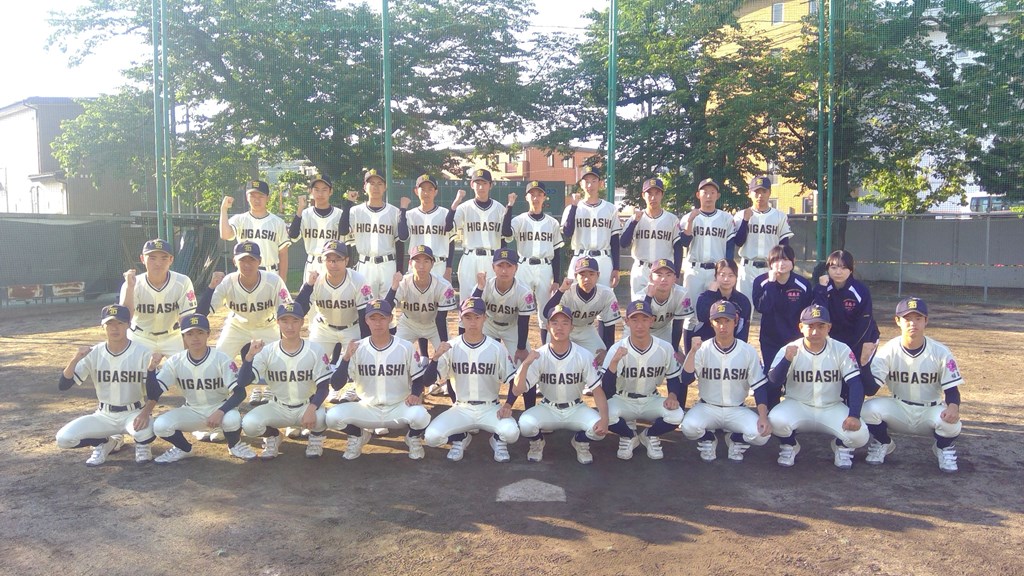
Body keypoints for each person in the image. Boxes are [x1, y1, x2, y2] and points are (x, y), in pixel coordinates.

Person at [861, 297, 963, 472]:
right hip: (899, 408)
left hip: (930, 410)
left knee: (952, 425)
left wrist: (953, 407)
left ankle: (942, 447)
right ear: (897, 321)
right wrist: (863, 364)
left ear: (926, 321)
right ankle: (884, 442)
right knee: (866, 410)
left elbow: (952, 390)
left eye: (918, 318)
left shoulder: (940, 352)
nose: (913, 323)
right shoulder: (888, 351)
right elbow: (871, 390)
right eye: (907, 318)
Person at [140, 314, 258, 463]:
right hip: (192, 410)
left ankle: (234, 445)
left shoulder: (221, 358)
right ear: (183, 337)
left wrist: (220, 411)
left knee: (232, 419)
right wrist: (151, 369)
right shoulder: (175, 361)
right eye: (190, 334)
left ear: (208, 334)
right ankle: (184, 449)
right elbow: (154, 393)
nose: (195, 338)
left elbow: (240, 393)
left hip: (219, 406)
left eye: (200, 332)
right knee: (160, 426)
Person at [325, 299, 432, 460]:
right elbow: (336, 384)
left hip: (398, 407)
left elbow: (418, 379)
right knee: (332, 417)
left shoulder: (405, 347)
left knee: (421, 416)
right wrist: (346, 358)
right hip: (367, 408)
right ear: (366, 320)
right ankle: (358, 435)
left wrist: (415, 394)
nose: (378, 323)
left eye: (382, 318)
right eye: (373, 318)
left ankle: (412, 438)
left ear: (390, 319)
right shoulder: (356, 348)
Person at [766, 304, 870, 469]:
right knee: (775, 420)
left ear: (829, 327)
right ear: (801, 327)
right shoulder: (790, 349)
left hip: (831, 406)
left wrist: (854, 415)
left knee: (860, 435)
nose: (815, 332)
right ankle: (790, 445)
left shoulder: (841, 349)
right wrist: (786, 360)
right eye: (810, 326)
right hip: (797, 405)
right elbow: (773, 382)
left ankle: (841, 447)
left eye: (821, 326)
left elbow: (855, 383)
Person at [421, 297, 520, 462]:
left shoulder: (496, 348)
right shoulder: (451, 347)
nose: (473, 322)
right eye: (468, 317)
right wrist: (435, 359)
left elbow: (513, 380)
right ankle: (461, 437)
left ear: (485, 318)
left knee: (511, 433)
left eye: (477, 317)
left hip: (490, 408)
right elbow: (427, 382)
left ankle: (497, 440)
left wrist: (508, 404)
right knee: (432, 438)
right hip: (461, 408)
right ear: (461, 318)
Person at [55, 305, 156, 466]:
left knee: (146, 432)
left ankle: (142, 444)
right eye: (110, 324)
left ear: (128, 325)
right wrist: (75, 359)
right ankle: (105, 442)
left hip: (134, 413)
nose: (115, 328)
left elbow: (154, 390)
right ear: (103, 326)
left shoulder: (142, 352)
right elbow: (64, 385)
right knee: (64, 439)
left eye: (120, 323)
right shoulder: (94, 352)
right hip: (104, 415)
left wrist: (145, 413)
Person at [196, 241, 292, 406]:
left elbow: (287, 311)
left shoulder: (273, 281)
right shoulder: (228, 282)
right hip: (237, 326)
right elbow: (202, 313)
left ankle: (275, 393)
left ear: (259, 261)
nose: (247, 264)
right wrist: (211, 287)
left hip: (266, 326)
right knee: (217, 362)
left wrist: (287, 338)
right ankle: (218, 398)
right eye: (242, 260)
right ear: (234, 261)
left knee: (282, 362)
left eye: (252, 260)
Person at [512, 304, 608, 464]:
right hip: (548, 408)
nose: (559, 327)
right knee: (525, 425)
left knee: (599, 430)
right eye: (554, 322)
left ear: (572, 327)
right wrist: (526, 365)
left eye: (565, 323)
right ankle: (537, 442)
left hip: (576, 408)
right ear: (548, 326)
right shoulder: (539, 355)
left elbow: (597, 390)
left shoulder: (583, 355)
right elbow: (517, 390)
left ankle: (580, 441)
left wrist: (604, 418)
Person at [238, 302, 334, 459]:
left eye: (295, 321)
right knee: (250, 425)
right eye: (285, 321)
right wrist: (249, 357)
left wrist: (311, 409)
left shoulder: (315, 350)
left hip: (306, 406)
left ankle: (315, 438)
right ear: (277, 322)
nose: (290, 326)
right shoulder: (267, 351)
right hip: (278, 407)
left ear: (302, 322)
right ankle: (274, 436)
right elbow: (243, 382)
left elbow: (323, 387)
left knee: (324, 418)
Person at [679, 301, 771, 462]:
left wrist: (763, 416)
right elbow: (686, 379)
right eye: (718, 321)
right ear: (711, 323)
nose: (722, 326)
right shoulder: (702, 349)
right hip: (707, 407)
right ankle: (709, 438)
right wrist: (692, 352)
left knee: (762, 435)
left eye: (727, 321)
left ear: (735, 321)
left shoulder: (747, 351)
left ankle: (735, 438)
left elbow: (759, 387)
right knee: (688, 427)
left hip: (737, 409)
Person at [600, 300, 684, 460]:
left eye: (644, 319)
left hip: (651, 398)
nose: (639, 325)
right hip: (622, 399)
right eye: (634, 319)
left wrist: (672, 396)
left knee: (676, 415)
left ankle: (649, 434)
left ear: (652, 320)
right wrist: (614, 363)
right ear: (627, 322)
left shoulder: (665, 348)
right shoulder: (617, 349)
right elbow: (607, 390)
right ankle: (629, 435)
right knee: (604, 414)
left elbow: (673, 377)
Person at [293, 239, 372, 403]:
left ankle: (355, 388)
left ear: (346, 261)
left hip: (352, 327)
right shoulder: (316, 281)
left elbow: (365, 315)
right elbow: (298, 311)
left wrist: (365, 344)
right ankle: (314, 394)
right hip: (324, 327)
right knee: (310, 360)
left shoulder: (358, 280)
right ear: (323, 261)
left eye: (337, 259)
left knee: (361, 358)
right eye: (328, 259)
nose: (333, 264)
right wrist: (308, 286)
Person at [678, 178, 736, 352]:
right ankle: (689, 356)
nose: (709, 196)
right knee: (690, 315)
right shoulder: (689, 217)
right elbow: (684, 242)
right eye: (705, 192)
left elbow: (730, 248)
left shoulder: (726, 218)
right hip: (694, 270)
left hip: (716, 272)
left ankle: (714, 353)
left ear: (718, 195)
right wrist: (690, 221)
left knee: (717, 313)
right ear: (698, 195)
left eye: (712, 192)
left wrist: (726, 274)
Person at [752, 244, 813, 408]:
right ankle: (771, 412)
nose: (781, 263)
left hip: (795, 340)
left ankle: (796, 410)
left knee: (796, 378)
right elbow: (763, 307)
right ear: (770, 262)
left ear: (793, 261)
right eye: (776, 260)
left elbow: (808, 314)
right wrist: (771, 283)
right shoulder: (761, 282)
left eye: (785, 259)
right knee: (773, 379)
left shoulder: (803, 284)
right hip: (770, 340)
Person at [470, 248, 536, 399]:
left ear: (516, 268)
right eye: (500, 266)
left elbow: (524, 321)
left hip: (513, 327)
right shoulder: (484, 285)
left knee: (527, 367)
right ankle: (481, 401)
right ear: (493, 267)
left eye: (509, 266)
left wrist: (521, 348)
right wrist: (480, 288)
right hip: (489, 325)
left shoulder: (523, 291)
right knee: (481, 362)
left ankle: (529, 408)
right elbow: (472, 308)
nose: (504, 270)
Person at [504, 180, 564, 344]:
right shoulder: (520, 220)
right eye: (532, 194)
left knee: (546, 311)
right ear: (526, 197)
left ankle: (547, 348)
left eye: (539, 194)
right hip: (524, 266)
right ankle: (519, 346)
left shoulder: (552, 223)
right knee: (519, 308)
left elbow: (557, 252)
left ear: (544, 197)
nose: (535, 198)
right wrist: (510, 206)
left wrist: (556, 280)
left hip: (545, 268)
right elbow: (506, 232)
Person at [119, 238, 197, 356]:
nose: (158, 263)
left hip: (172, 337)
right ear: (142, 259)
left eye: (164, 258)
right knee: (131, 366)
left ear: (171, 259)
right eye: (152, 258)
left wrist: (187, 352)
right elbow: (125, 319)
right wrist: (130, 288)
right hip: (140, 336)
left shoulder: (182, 282)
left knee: (186, 365)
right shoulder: (133, 283)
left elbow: (186, 319)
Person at [542, 257, 622, 365]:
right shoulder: (566, 291)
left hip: (586, 330)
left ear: (598, 275)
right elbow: (546, 313)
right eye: (582, 275)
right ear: (575, 276)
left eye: (591, 274)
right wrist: (561, 290)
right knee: (550, 361)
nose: (587, 279)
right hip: (563, 329)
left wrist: (607, 350)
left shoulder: (606, 294)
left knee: (603, 360)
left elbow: (609, 325)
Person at [813, 249, 880, 368]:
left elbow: (865, 322)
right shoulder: (823, 288)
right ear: (827, 269)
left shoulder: (860, 290)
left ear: (851, 269)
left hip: (862, 339)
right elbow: (820, 315)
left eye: (843, 268)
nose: (838, 272)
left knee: (860, 374)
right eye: (833, 268)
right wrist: (822, 289)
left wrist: (857, 348)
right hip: (835, 340)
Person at [387, 245, 458, 356]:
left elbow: (441, 318)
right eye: (417, 261)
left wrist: (443, 347)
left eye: (426, 261)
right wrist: (393, 288)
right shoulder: (403, 282)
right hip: (409, 324)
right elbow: (386, 308)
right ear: (410, 263)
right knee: (395, 354)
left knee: (449, 355)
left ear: (432, 264)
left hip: (434, 326)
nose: (421, 266)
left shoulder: (443, 285)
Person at [341, 169, 401, 298]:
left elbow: (399, 243)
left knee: (388, 304)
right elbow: (343, 230)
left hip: (388, 264)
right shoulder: (355, 211)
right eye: (371, 183)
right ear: (365, 187)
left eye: (379, 183)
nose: (375, 187)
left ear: (385, 187)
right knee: (365, 304)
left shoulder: (394, 212)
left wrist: (400, 270)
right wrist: (348, 203)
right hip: (365, 264)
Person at [620, 177, 682, 300]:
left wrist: (676, 273)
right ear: (643, 195)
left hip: (663, 271)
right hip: (641, 269)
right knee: (638, 307)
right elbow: (623, 243)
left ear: (662, 195)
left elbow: (678, 248)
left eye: (657, 193)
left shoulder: (672, 219)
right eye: (649, 193)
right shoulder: (635, 218)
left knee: (662, 308)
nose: (653, 197)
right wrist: (634, 222)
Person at [732, 175, 793, 298]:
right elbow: (738, 242)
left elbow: (784, 245)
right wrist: (745, 221)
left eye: (764, 191)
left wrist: (783, 267)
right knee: (745, 305)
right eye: (756, 192)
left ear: (769, 192)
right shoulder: (740, 215)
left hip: (770, 268)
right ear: (749, 193)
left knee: (771, 304)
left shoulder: (779, 216)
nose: (760, 195)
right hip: (747, 268)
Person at [451, 168, 509, 296]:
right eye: (477, 183)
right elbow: (449, 228)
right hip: (470, 257)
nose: (481, 187)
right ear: (472, 184)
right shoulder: (464, 207)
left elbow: (504, 239)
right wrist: (455, 203)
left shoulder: (500, 208)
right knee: (467, 298)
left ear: (490, 185)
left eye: (484, 183)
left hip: (493, 258)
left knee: (492, 298)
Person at [561, 167, 621, 289]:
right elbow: (567, 233)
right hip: (580, 256)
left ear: (600, 183)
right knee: (574, 295)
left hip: (603, 259)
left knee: (605, 296)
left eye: (594, 181)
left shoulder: (610, 208)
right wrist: (574, 207)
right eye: (586, 181)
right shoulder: (572, 208)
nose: (590, 185)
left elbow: (615, 240)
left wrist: (616, 268)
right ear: (581, 184)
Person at [219, 179, 291, 275]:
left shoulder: (278, 222)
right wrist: (223, 209)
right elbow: (225, 235)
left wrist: (282, 280)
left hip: (270, 272)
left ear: (268, 198)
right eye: (252, 196)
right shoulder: (239, 219)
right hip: (245, 273)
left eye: (261, 196)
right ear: (247, 197)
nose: (257, 200)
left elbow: (283, 254)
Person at [398, 173, 455, 281]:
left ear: (435, 192)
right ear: (416, 191)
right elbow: (403, 237)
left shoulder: (445, 213)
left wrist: (448, 269)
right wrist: (403, 210)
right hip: (416, 265)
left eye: (430, 189)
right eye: (422, 189)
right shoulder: (410, 215)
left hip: (439, 265)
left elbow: (451, 242)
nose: (426, 193)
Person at [288, 173, 344, 279]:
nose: (320, 194)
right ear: (311, 191)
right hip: (312, 263)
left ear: (331, 191)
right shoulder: (305, 214)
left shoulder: (339, 214)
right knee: (309, 290)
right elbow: (293, 236)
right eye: (316, 190)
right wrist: (300, 209)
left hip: (333, 263)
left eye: (324, 190)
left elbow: (347, 245)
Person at [693, 259, 752, 347]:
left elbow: (743, 329)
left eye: (731, 275)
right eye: (722, 275)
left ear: (736, 277)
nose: (726, 279)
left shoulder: (743, 301)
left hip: (733, 346)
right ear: (715, 276)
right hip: (707, 344)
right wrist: (711, 293)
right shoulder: (705, 296)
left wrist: (738, 347)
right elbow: (702, 317)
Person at [637, 259, 690, 355]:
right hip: (639, 332)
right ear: (650, 278)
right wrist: (649, 297)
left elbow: (678, 324)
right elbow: (641, 320)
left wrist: (674, 350)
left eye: (668, 275)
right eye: (659, 275)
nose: (663, 279)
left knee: (676, 360)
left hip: (664, 330)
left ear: (674, 278)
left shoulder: (681, 294)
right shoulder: (640, 297)